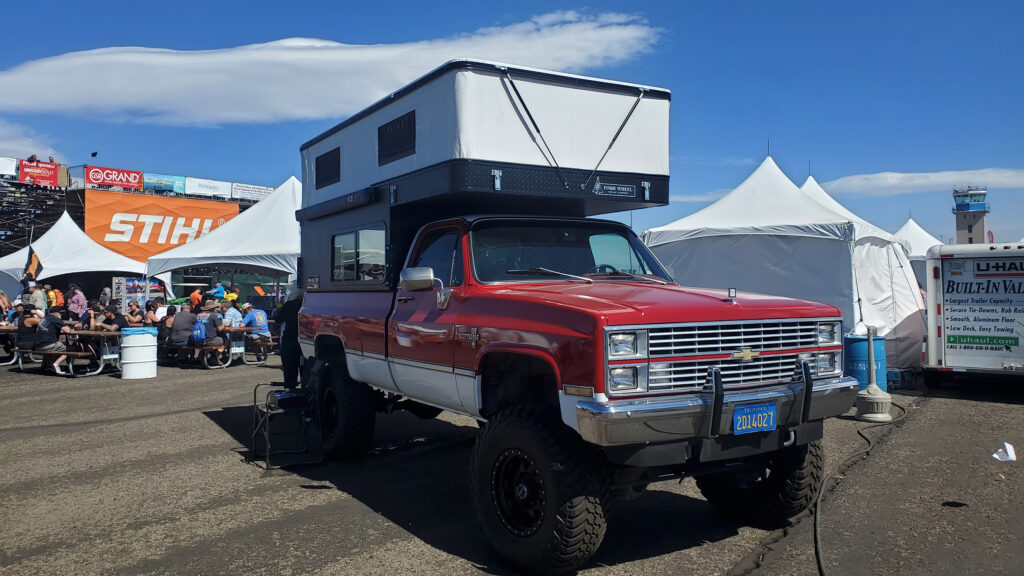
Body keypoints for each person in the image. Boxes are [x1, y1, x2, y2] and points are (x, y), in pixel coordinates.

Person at [274, 287, 303, 387]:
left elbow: (278, 319)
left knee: (289, 368)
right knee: (306, 368)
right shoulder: (307, 305)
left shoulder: (289, 305)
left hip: (290, 339)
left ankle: (290, 390)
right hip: (306, 339)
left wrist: (279, 308)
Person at [34, 306, 73, 374]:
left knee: (57, 347)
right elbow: (68, 331)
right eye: (60, 313)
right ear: (55, 313)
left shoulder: (44, 318)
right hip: (47, 345)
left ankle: (46, 366)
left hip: (37, 345)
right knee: (70, 349)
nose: (61, 315)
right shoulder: (55, 319)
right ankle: (55, 365)